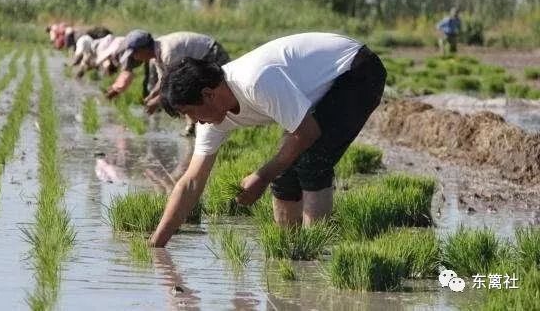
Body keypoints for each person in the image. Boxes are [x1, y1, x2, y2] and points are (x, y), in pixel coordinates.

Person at [148, 33, 386, 247]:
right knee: (283, 172)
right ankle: (289, 250)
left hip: (355, 70)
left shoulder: (255, 81)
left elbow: (307, 133)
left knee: (312, 161)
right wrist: (156, 245)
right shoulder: (212, 117)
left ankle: (314, 253)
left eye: (192, 113)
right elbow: (191, 183)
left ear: (208, 95)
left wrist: (261, 177)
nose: (196, 122)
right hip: (316, 90)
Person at [105, 30, 230, 136]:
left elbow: (175, 83)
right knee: (189, 92)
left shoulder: (168, 53)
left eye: (135, 54)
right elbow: (164, 80)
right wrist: (151, 96)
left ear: (143, 49)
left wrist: (156, 101)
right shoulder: (158, 55)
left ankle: (217, 129)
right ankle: (193, 128)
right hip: (199, 58)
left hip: (211, 54)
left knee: (199, 92)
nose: (135, 58)